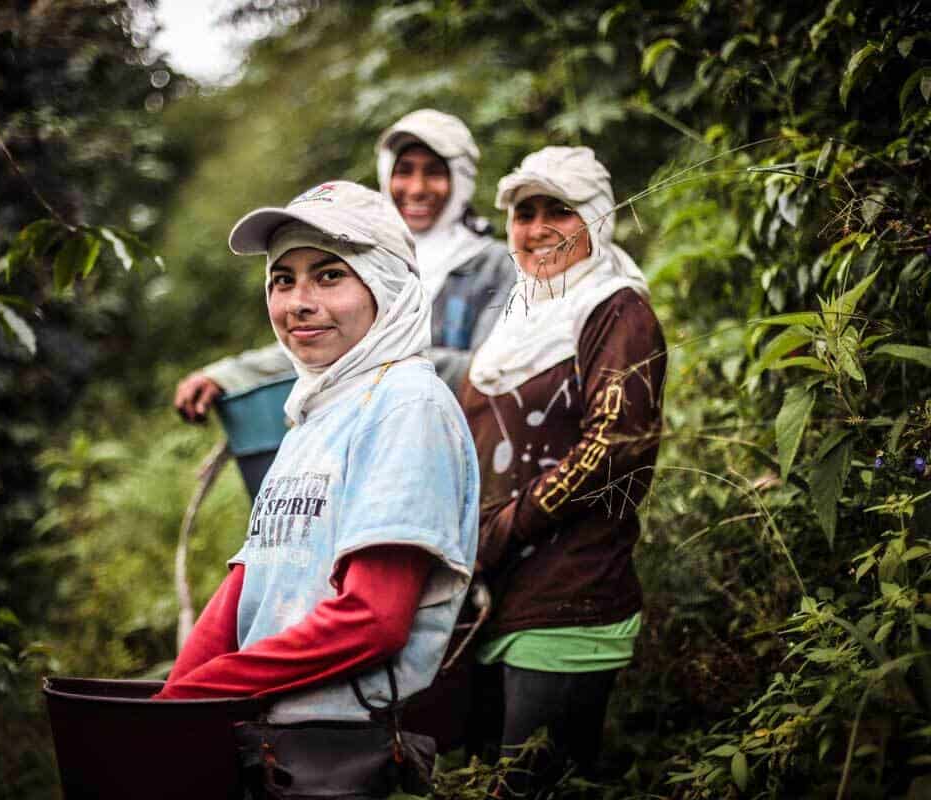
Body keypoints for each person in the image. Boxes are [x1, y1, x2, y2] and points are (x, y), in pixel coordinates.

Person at [156, 181, 480, 799]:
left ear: (383, 284)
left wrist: (215, 688)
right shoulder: (316, 411)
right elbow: (252, 581)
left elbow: (374, 618)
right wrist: (171, 705)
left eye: (329, 276)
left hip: (336, 747)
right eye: (283, 280)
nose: (298, 303)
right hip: (269, 736)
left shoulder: (404, 405)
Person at [457, 147, 667, 794]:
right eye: (525, 212)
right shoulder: (518, 319)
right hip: (495, 601)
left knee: (528, 788)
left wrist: (503, 529)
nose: (538, 227)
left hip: (570, 598)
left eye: (560, 210)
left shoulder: (615, 309)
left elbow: (616, 444)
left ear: (597, 219)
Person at [173, 109, 512, 421]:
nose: (417, 188)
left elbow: (492, 371)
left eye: (434, 173)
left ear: (462, 179)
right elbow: (322, 337)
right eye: (404, 171)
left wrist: (371, 355)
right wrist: (228, 375)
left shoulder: (494, 266)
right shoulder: (368, 251)